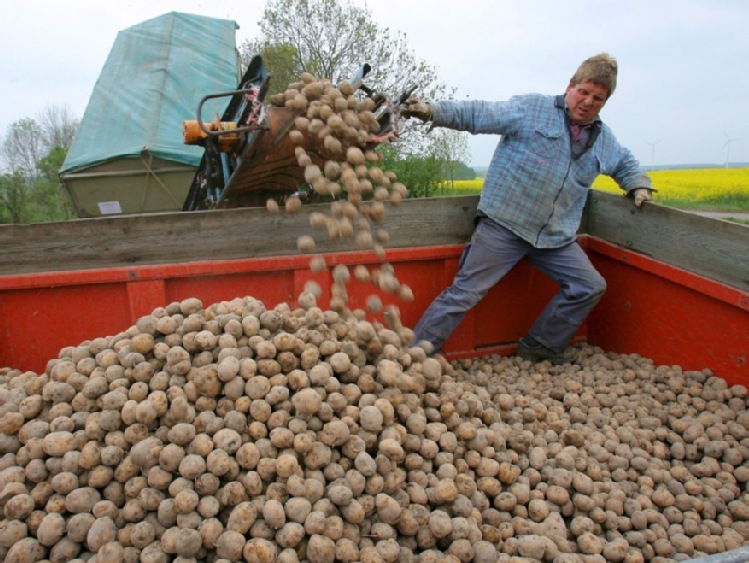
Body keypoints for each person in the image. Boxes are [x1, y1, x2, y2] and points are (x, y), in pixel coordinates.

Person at [400, 53, 654, 365]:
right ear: (570, 86)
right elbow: (479, 114)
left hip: (554, 237)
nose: (588, 101)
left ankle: (540, 346)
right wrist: (431, 111)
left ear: (605, 102)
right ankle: (414, 355)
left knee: (589, 286)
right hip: (505, 225)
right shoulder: (532, 109)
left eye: (597, 98)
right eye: (583, 92)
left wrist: (637, 183)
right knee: (464, 293)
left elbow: (624, 161)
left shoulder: (604, 139)